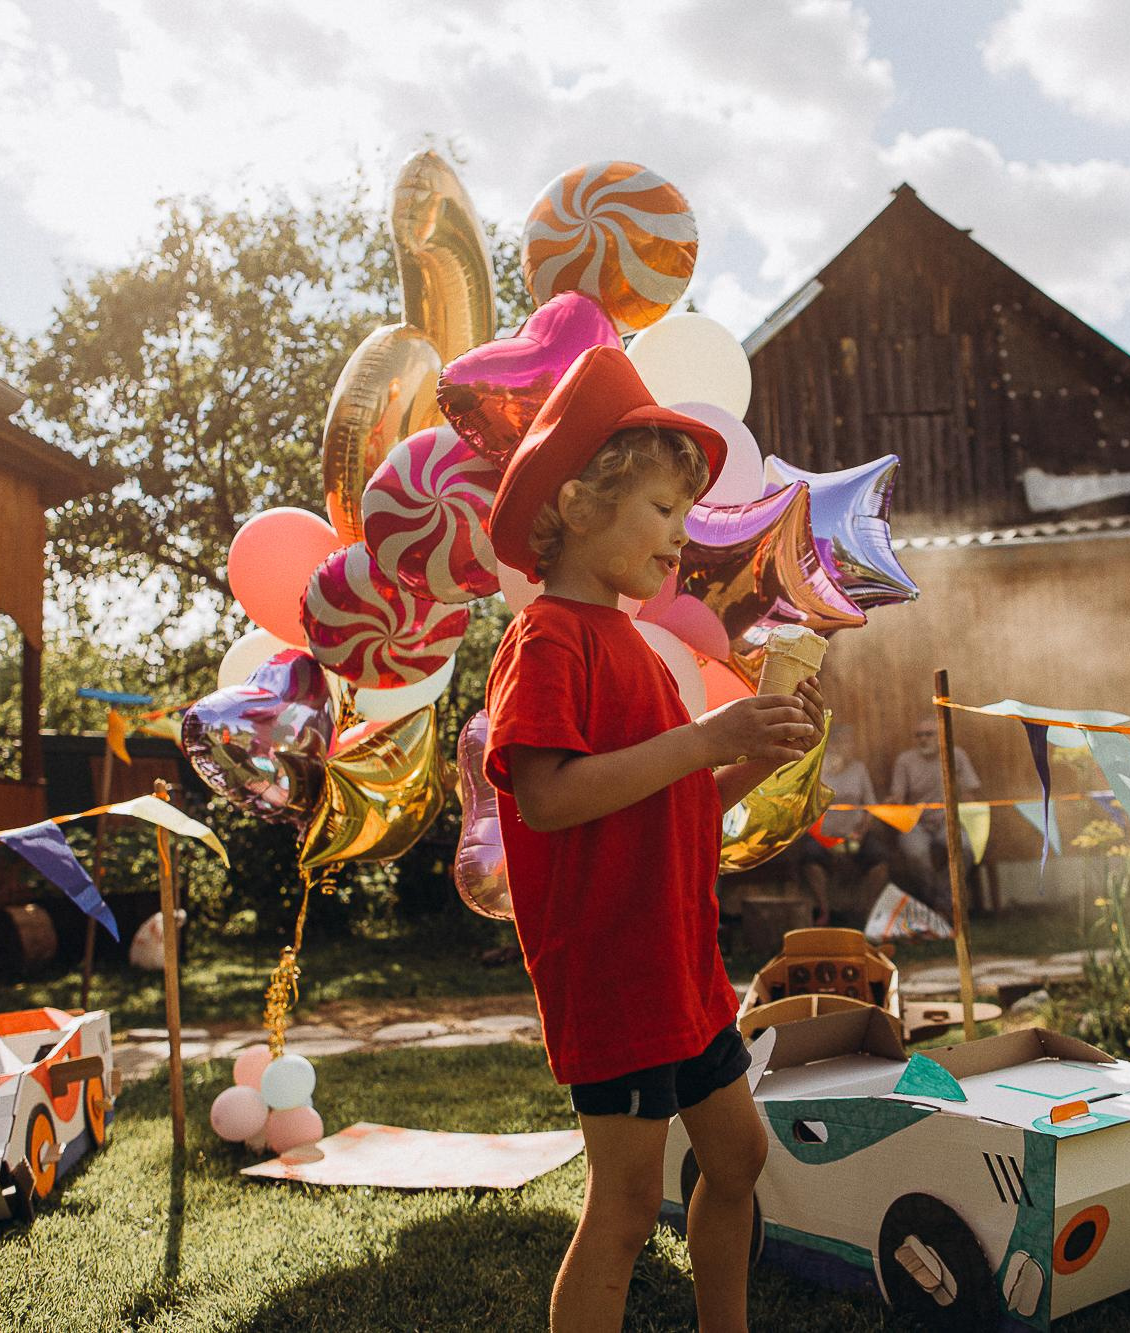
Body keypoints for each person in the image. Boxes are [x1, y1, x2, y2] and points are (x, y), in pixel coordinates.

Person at [483, 346, 824, 1333]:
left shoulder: (637, 647)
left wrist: (756, 754)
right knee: (626, 1205)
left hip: (678, 968)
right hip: (612, 973)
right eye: (662, 512)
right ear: (577, 504)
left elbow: (671, 800)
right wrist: (703, 734)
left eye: (683, 516)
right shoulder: (546, 638)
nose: (681, 539)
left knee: (739, 1158)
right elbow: (547, 801)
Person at [785, 722, 887, 923]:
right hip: (824, 835)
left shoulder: (859, 769)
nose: (845, 748)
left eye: (848, 744)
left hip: (855, 835)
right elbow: (808, 810)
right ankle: (824, 910)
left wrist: (861, 833)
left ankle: (866, 912)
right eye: (840, 744)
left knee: (880, 860)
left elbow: (870, 808)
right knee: (810, 859)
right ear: (831, 746)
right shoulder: (820, 770)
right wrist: (825, 838)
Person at [887, 714, 980, 906]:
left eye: (929, 734)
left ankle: (944, 898)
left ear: (940, 735)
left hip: (949, 821)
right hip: (916, 823)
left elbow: (969, 793)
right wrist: (887, 804)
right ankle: (934, 901)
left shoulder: (956, 755)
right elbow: (898, 796)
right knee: (916, 854)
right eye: (919, 735)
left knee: (966, 849)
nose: (923, 739)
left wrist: (971, 824)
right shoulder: (905, 760)